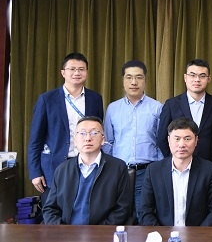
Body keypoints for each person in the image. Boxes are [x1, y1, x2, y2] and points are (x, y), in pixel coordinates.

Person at [28, 52, 104, 203]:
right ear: (63, 72)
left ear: (86, 72)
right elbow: (35, 139)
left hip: (86, 164)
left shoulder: (95, 98)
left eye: (81, 69)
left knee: (84, 208)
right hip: (54, 166)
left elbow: (98, 131)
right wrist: (35, 172)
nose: (77, 73)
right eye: (72, 69)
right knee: (54, 210)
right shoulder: (47, 99)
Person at [42, 116, 131, 225]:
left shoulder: (118, 168)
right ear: (75, 140)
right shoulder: (62, 170)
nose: (88, 138)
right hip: (66, 232)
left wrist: (99, 232)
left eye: (94, 133)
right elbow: (50, 209)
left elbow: (122, 208)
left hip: (102, 232)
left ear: (103, 139)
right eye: (82, 133)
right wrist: (63, 230)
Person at [139, 117, 212, 226]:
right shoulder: (153, 171)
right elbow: (145, 211)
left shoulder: (209, 170)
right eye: (177, 139)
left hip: (198, 233)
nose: (181, 144)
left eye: (187, 139)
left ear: (196, 141)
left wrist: (199, 234)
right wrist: (161, 233)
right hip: (163, 233)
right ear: (168, 140)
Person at [103, 60, 162, 218]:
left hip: (147, 172)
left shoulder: (157, 107)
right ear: (123, 81)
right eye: (129, 77)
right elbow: (108, 143)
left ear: (145, 80)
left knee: (143, 216)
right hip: (119, 172)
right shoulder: (113, 108)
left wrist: (158, 169)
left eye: (139, 77)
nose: (134, 82)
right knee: (118, 216)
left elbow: (161, 142)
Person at [157, 59, 212, 161]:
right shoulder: (171, 104)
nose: (197, 80)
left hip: (209, 164)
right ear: (185, 77)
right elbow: (162, 138)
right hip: (179, 164)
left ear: (209, 79)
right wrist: (175, 159)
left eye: (202, 76)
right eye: (192, 75)